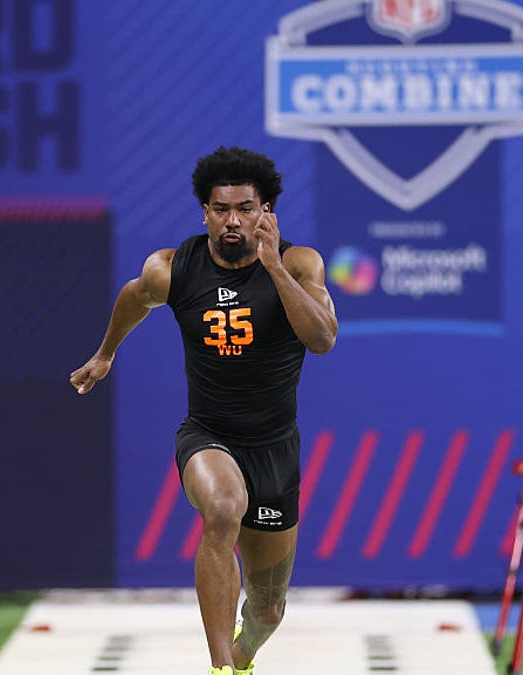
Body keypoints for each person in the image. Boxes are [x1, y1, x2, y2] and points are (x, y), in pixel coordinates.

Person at [70, 146, 338, 675]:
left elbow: (323, 338)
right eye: (221, 209)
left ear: (267, 212)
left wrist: (272, 269)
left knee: (267, 611)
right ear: (205, 212)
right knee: (222, 508)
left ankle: (242, 655)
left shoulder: (298, 262)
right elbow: (134, 296)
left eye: (245, 208)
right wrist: (105, 354)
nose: (233, 220)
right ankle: (219, 669)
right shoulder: (173, 268)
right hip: (208, 435)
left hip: (275, 449)